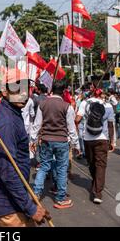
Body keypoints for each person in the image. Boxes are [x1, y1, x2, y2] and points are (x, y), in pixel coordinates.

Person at [0, 68, 49, 227]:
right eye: (17, 88)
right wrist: (30, 208)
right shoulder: (7, 122)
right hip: (7, 208)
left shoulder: (8, 113)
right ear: (4, 91)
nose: (23, 93)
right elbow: (8, 172)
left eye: (26, 88)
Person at [32, 80, 79, 209]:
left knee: (44, 167)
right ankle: (60, 198)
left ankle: (36, 193)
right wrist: (76, 145)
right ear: (63, 92)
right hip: (62, 141)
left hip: (46, 140)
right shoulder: (67, 106)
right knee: (61, 169)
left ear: (52, 90)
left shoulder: (43, 104)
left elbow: (36, 125)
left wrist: (33, 140)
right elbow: (71, 128)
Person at [76, 88, 115, 204]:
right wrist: (111, 141)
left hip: (87, 138)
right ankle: (98, 192)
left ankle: (96, 185)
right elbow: (110, 125)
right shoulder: (108, 106)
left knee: (92, 163)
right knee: (101, 165)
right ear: (102, 93)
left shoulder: (84, 103)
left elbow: (77, 119)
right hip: (102, 139)